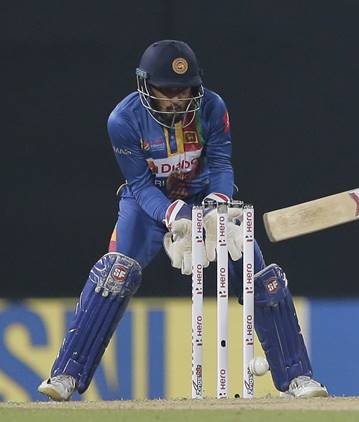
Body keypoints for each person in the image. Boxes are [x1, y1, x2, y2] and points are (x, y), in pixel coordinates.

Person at [37, 40, 328, 401]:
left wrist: (216, 207)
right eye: (167, 90)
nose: (177, 99)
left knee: (255, 269)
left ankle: (298, 377)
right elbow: (139, 185)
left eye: (184, 90)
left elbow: (220, 164)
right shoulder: (123, 120)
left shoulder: (212, 107)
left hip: (203, 199)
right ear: (146, 85)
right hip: (147, 204)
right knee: (116, 272)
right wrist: (175, 215)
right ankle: (66, 374)